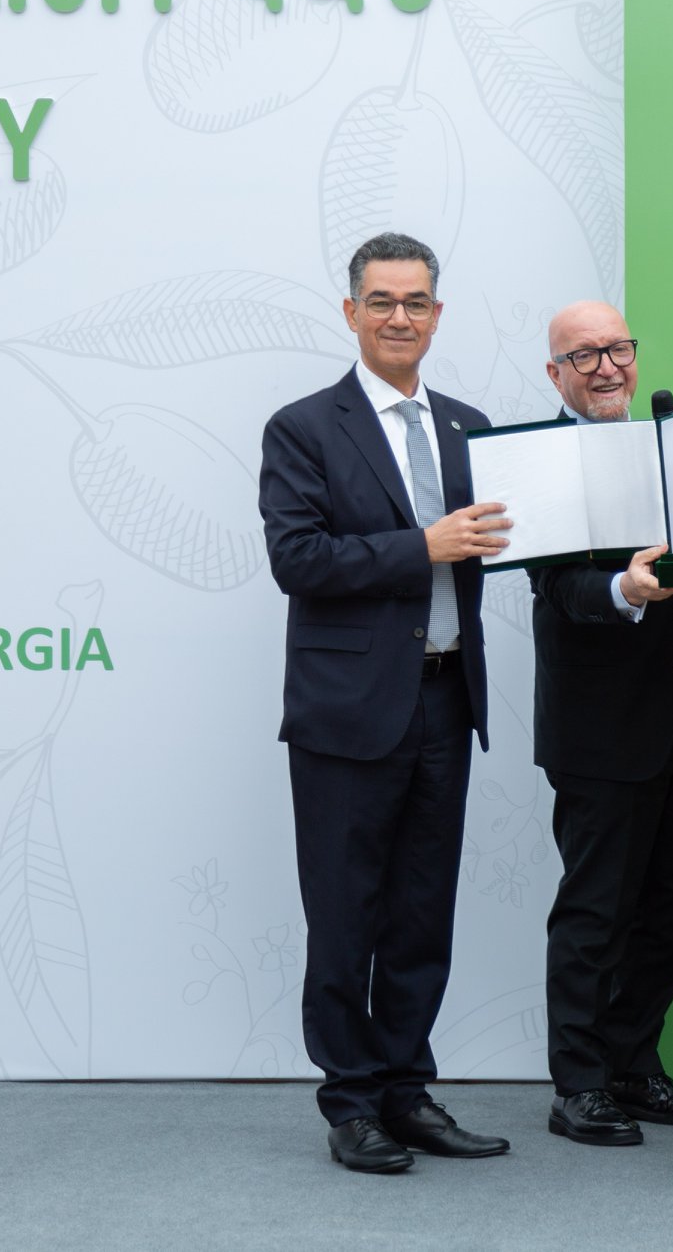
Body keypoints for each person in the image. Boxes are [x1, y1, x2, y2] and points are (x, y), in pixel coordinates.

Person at [259, 232, 513, 1174]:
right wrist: (422, 546)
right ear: (351, 312)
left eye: (415, 302)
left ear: (437, 315)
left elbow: (511, 536)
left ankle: (407, 1091)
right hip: (346, 713)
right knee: (344, 914)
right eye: (381, 301)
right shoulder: (303, 428)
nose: (399, 317)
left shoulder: (471, 428)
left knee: (420, 914)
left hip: (446, 700)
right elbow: (298, 559)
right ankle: (352, 1102)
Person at [529, 301, 673, 1147]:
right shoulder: (541, 460)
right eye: (584, 355)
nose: (606, 366)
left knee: (670, 905)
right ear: (556, 374)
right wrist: (624, 590)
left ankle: (633, 1063)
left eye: (617, 349)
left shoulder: (669, 438)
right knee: (596, 910)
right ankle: (577, 1084)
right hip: (599, 729)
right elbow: (556, 585)